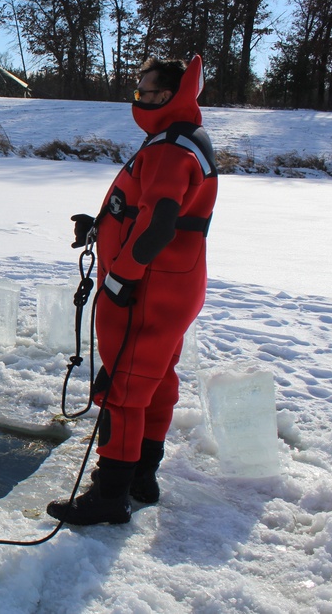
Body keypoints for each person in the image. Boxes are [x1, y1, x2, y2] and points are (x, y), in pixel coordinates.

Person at [47, 55, 218, 526]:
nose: (137, 97)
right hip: (174, 285)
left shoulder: (170, 147)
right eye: (137, 88)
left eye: (145, 90)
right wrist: (102, 223)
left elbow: (160, 224)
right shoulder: (179, 138)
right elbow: (148, 210)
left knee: (123, 388)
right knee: (157, 379)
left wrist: (123, 276)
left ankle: (110, 495)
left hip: (149, 288)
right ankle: (142, 475)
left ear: (171, 95)